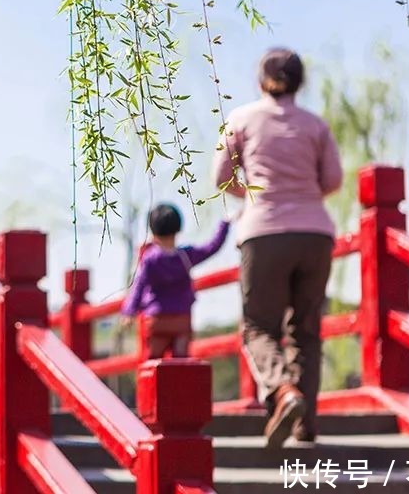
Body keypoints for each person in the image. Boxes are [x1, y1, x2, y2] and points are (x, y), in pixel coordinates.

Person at [211, 47, 343, 449]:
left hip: (263, 232)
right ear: (300, 82)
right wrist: (301, 196)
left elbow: (220, 178)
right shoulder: (316, 126)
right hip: (315, 233)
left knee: (257, 327)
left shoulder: (240, 119)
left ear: (260, 80)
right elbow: (333, 181)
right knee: (306, 330)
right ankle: (306, 425)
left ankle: (283, 392)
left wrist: (253, 194)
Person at [120, 203, 231, 359]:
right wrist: (225, 224)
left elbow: (139, 285)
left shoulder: (150, 259)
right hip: (181, 319)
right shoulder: (186, 256)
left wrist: (129, 311)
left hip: (156, 319)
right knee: (180, 363)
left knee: (153, 364)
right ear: (178, 228)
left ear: (153, 231)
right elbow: (212, 247)